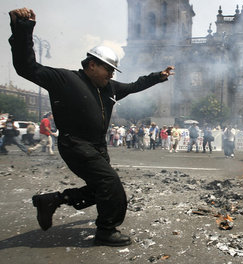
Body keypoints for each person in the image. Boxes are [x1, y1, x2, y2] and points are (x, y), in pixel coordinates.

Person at [9, 7, 174, 247]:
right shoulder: (65, 79)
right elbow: (27, 67)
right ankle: (106, 231)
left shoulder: (109, 88)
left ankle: (52, 200)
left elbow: (134, 85)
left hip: (97, 148)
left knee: (100, 190)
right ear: (92, 65)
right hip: (75, 144)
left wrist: (158, 77)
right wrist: (23, 29)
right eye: (108, 69)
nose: (110, 74)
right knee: (111, 185)